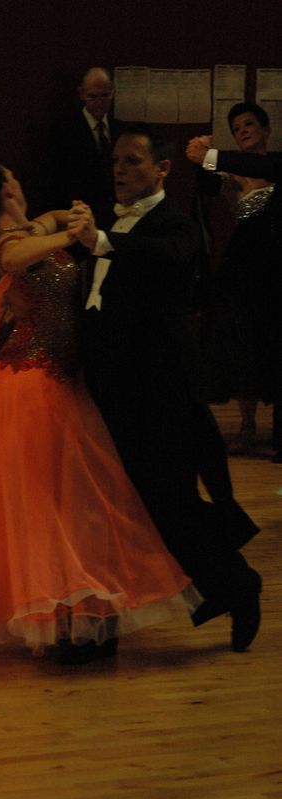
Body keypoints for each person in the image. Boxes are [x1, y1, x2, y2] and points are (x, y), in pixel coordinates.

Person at [0, 159, 201, 665]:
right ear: (6, 190)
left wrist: (72, 218)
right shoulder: (10, 244)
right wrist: (71, 237)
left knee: (60, 501)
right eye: (13, 177)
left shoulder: (33, 228)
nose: (20, 182)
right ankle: (37, 611)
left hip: (59, 384)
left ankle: (65, 610)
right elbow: (14, 258)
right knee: (32, 503)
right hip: (28, 386)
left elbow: (53, 218)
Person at [68, 123, 262, 652]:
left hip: (155, 398)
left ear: (162, 169)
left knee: (168, 505)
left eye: (132, 161)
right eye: (116, 161)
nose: (120, 170)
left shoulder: (174, 226)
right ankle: (100, 624)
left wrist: (101, 241)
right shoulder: (106, 220)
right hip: (103, 391)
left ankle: (238, 583)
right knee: (102, 509)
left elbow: (169, 258)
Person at [187, 121, 282, 464]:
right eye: (237, 127)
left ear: (266, 129)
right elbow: (209, 187)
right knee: (244, 343)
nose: (244, 131)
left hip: (275, 269)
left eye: (250, 124)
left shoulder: (273, 163)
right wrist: (201, 160)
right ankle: (247, 425)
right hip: (244, 269)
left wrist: (209, 155)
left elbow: (264, 167)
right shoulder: (231, 172)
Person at [38, 67, 124, 214]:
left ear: (113, 92)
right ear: (82, 94)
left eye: (105, 95)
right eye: (92, 96)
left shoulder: (120, 129)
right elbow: (53, 180)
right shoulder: (63, 130)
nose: (99, 102)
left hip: (114, 212)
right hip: (78, 211)